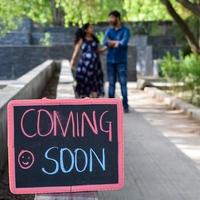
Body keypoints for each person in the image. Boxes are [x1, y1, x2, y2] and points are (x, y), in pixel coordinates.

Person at [103, 10, 130, 113]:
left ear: (118, 18)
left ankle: (125, 105)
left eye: (112, 18)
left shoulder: (125, 31)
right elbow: (105, 42)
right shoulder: (109, 31)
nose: (110, 20)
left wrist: (112, 42)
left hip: (121, 61)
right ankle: (111, 107)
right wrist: (116, 43)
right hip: (110, 61)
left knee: (123, 83)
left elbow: (123, 43)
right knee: (111, 84)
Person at [70, 23, 105, 98]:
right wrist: (72, 63)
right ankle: (85, 104)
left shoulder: (94, 39)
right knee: (84, 84)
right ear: (86, 30)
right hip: (85, 67)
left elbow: (98, 50)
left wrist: (107, 47)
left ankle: (94, 104)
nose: (92, 29)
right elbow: (76, 52)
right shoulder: (82, 40)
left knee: (95, 85)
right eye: (90, 28)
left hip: (95, 66)